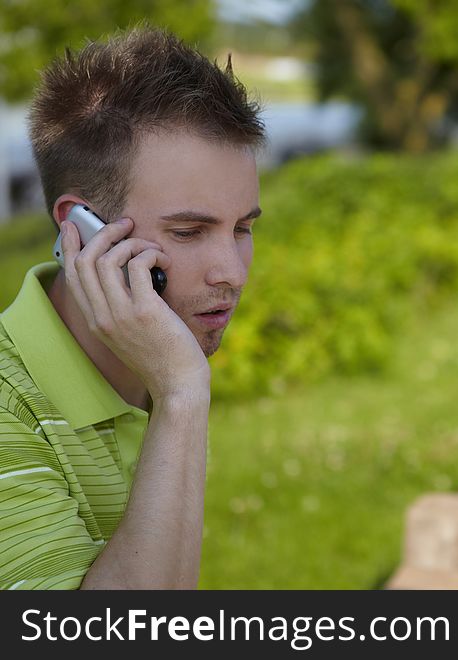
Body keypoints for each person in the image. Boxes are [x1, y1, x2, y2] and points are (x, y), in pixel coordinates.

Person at [0, 26, 265, 589]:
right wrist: (183, 394)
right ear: (80, 229)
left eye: (242, 228)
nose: (233, 273)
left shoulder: (149, 356)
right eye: (190, 231)